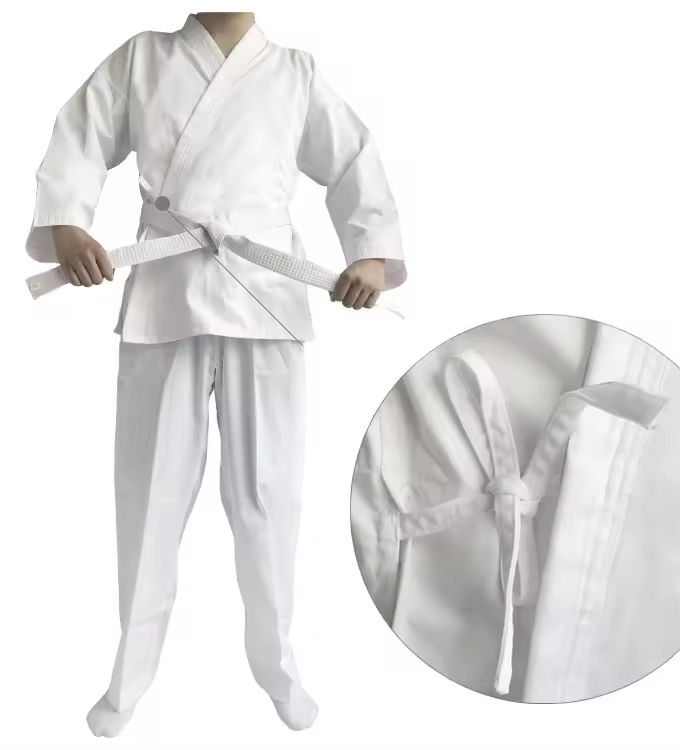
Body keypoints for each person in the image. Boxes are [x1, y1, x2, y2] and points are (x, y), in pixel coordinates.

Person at [26, 11, 405, 737]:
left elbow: (354, 158)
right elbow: (80, 134)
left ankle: (279, 667)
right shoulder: (142, 57)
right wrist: (69, 222)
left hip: (266, 296)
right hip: (165, 293)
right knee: (149, 496)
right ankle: (129, 678)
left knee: (269, 497)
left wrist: (371, 253)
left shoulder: (294, 72)